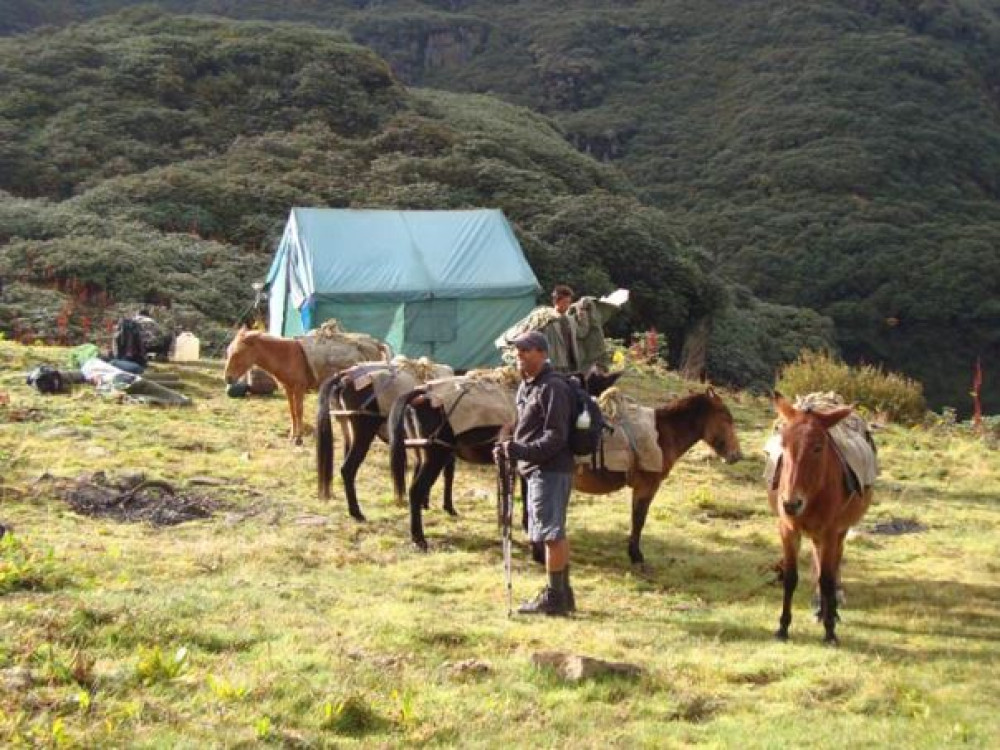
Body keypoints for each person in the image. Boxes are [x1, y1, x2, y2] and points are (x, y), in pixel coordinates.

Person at [494, 330, 576, 616]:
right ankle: (563, 595)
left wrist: (521, 451)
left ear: (542, 353)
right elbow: (522, 426)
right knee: (551, 531)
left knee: (551, 534)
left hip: (550, 469)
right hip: (536, 469)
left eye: (526, 350)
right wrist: (506, 446)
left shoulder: (553, 387)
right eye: (517, 350)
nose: (519, 355)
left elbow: (556, 436)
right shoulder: (527, 387)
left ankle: (555, 599)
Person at [549, 284, 580, 373]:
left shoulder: (571, 319)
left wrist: (583, 317)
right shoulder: (548, 320)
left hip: (571, 363)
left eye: (569, 302)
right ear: (556, 302)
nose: (567, 305)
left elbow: (581, 334)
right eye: (565, 302)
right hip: (556, 364)